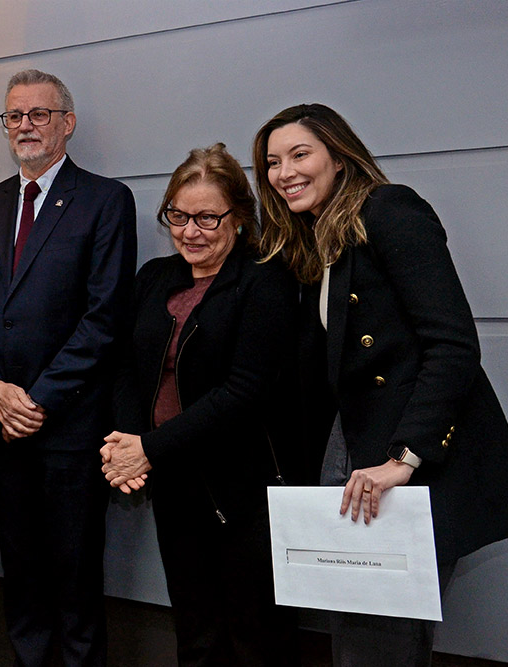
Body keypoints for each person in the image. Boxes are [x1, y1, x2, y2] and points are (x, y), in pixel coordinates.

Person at [252, 103, 508, 666]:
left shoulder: (389, 210)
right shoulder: (318, 242)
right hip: (357, 457)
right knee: (364, 635)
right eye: (271, 161)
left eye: (299, 154)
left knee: (379, 641)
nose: (283, 171)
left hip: (407, 461)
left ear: (339, 157)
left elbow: (453, 345)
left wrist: (404, 458)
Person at [0, 69, 137, 666]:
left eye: (38, 114)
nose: (25, 126)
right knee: (23, 578)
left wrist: (36, 400)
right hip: (2, 427)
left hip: (69, 428)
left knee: (75, 579)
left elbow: (104, 316)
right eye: (14, 116)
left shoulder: (106, 200)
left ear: (68, 122)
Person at [100, 143, 302, 666]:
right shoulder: (154, 278)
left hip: (243, 490)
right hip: (173, 483)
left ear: (239, 217)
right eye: (179, 216)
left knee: (254, 636)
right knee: (195, 632)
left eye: (208, 218)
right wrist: (127, 442)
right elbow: (125, 366)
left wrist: (148, 449)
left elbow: (244, 391)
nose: (191, 231)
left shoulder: (265, 280)